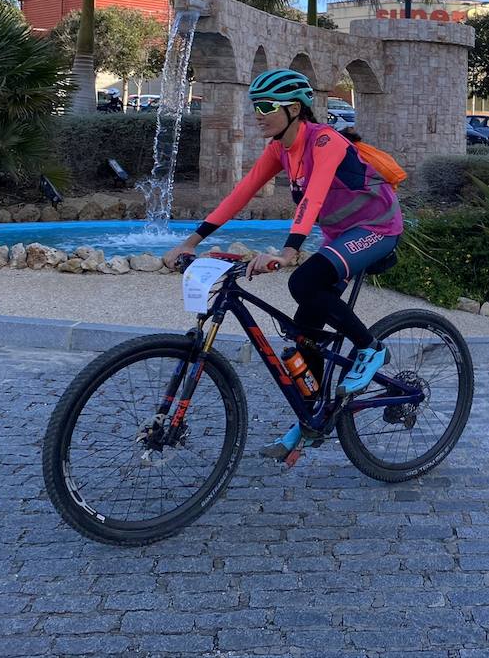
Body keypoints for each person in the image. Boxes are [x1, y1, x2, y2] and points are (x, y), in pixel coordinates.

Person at [162, 69, 403, 460]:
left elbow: (316, 194)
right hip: (339, 235)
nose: (257, 114)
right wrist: (190, 241)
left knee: (304, 282)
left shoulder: (325, 140)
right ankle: (311, 420)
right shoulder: (279, 149)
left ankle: (369, 348)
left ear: (293, 109)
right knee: (304, 333)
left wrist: (288, 251)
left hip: (376, 227)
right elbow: (240, 195)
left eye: (265, 106)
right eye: (254, 105)